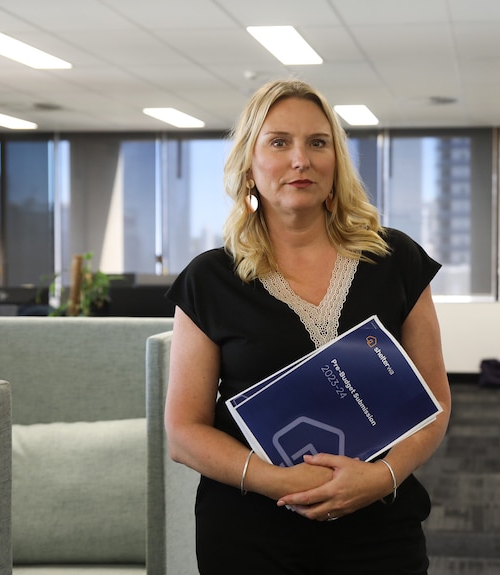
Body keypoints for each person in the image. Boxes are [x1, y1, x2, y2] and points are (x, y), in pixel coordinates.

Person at [164, 78, 451, 575]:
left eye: (318, 143)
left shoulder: (395, 259)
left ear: (336, 161)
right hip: (251, 534)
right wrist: (284, 484)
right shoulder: (210, 279)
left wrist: (381, 478)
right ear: (249, 165)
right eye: (279, 142)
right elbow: (183, 432)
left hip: (379, 530)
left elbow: (435, 403)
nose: (302, 159)